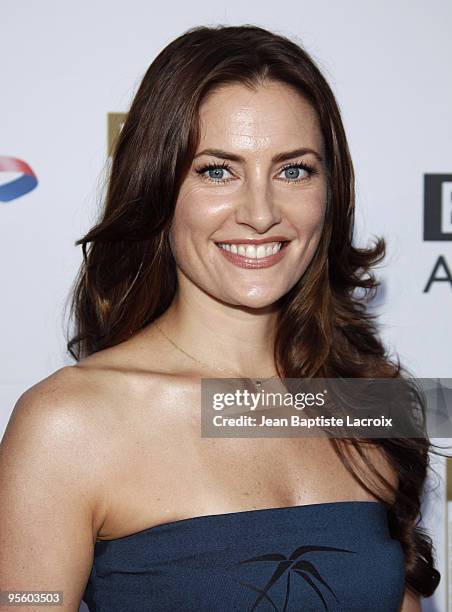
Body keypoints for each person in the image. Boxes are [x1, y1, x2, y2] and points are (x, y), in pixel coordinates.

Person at [0, 24, 441, 612]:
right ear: (160, 189)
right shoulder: (69, 424)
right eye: (216, 170)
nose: (260, 213)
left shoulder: (367, 399)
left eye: (294, 170)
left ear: (331, 191)